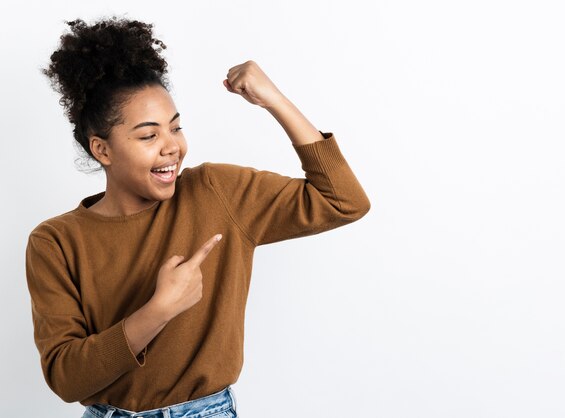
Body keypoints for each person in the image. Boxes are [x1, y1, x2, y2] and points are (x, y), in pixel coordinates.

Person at [25, 15, 370, 418]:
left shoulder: (216, 192)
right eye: (148, 135)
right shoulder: (55, 241)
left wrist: (274, 99)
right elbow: (66, 379)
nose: (172, 147)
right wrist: (159, 310)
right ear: (102, 150)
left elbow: (344, 201)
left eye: (176, 128)